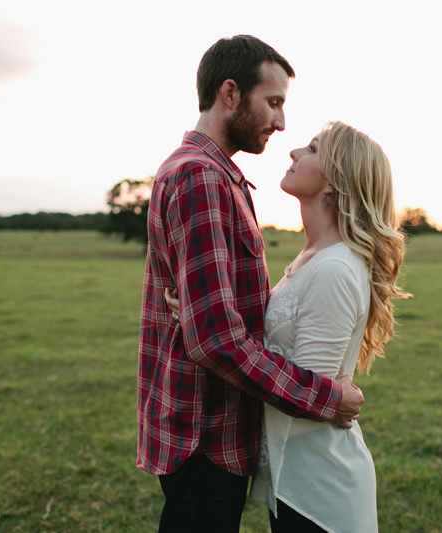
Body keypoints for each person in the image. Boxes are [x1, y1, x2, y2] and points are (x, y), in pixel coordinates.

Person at [137, 35, 364, 533]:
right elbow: (216, 340)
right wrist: (328, 399)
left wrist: (194, 311)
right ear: (231, 93)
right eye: (274, 102)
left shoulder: (221, 177)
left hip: (214, 430)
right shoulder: (201, 178)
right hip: (204, 434)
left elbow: (219, 316)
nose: (281, 123)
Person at [168, 121, 410, 532]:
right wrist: (203, 316)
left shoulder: (334, 268)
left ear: (335, 182)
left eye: (312, 148)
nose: (294, 151)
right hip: (294, 478)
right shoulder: (313, 256)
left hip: (321, 488)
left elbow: (309, 394)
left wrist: (211, 335)